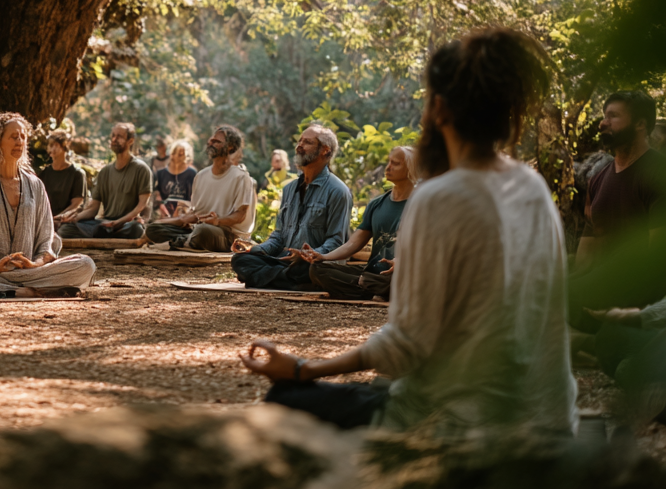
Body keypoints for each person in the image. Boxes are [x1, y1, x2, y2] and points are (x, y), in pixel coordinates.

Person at [240, 27, 577, 438]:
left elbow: (405, 346)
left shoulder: (440, 197)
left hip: (461, 426)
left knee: (285, 399)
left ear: (440, 109)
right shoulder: (531, 187)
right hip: (551, 418)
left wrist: (300, 368)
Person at [0, 113, 96, 298]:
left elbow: (46, 238)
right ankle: (20, 291)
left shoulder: (35, 185)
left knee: (86, 264)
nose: (20, 141)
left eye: (23, 137)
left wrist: (35, 264)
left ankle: (0, 292)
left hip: (32, 273)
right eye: (14, 136)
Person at [570, 91, 666, 331]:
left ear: (640, 124)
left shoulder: (658, 172)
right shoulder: (597, 179)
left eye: (613, 116)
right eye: (604, 116)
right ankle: (586, 337)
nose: (603, 122)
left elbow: (656, 257)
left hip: (642, 288)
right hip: (601, 285)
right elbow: (587, 256)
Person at [230, 125, 351, 290]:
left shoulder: (338, 191)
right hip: (284, 261)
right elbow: (278, 236)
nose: (299, 145)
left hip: (314, 263)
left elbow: (336, 241)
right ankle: (288, 280)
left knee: (310, 270)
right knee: (241, 260)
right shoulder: (289, 189)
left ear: (325, 150)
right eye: (299, 141)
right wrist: (255, 249)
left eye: (307, 142)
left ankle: (267, 278)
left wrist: (306, 256)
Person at [300, 146, 417, 301]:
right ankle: (377, 289)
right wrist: (323, 256)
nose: (388, 167)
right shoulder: (377, 204)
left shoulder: (422, 204)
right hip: (373, 273)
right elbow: (353, 243)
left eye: (395, 163)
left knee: (406, 277)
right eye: (389, 162)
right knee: (318, 269)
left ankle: (371, 288)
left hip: (404, 272)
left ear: (411, 168)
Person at [144, 126, 253, 252]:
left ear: (230, 147)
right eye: (211, 140)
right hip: (197, 229)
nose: (210, 143)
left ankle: (182, 242)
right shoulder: (201, 176)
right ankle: (186, 241)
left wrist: (217, 221)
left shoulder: (241, 177)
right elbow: (195, 213)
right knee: (153, 228)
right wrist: (182, 219)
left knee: (203, 231)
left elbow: (240, 215)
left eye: (217, 141)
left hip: (226, 235)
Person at [58, 122, 154, 240]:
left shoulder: (141, 169)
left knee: (136, 229)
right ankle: (104, 232)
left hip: (126, 224)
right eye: (113, 135)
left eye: (119, 136)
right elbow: (93, 208)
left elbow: (141, 206)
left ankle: (105, 233)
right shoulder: (104, 172)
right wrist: (74, 219)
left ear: (130, 141)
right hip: (104, 223)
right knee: (66, 229)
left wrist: (117, 222)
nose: (114, 139)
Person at [38, 129, 86, 222]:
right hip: (44, 221)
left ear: (65, 147)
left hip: (67, 221)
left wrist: (58, 218)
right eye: (51, 145)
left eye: (56, 145)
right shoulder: (44, 173)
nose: (53, 149)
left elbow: (76, 204)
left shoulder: (77, 174)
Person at [153, 140, 197, 217]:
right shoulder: (160, 174)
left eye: (185, 155)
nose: (183, 157)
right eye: (180, 154)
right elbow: (157, 196)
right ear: (172, 154)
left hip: (184, 215)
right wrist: (161, 207)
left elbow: (194, 198)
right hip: (164, 215)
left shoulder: (192, 173)